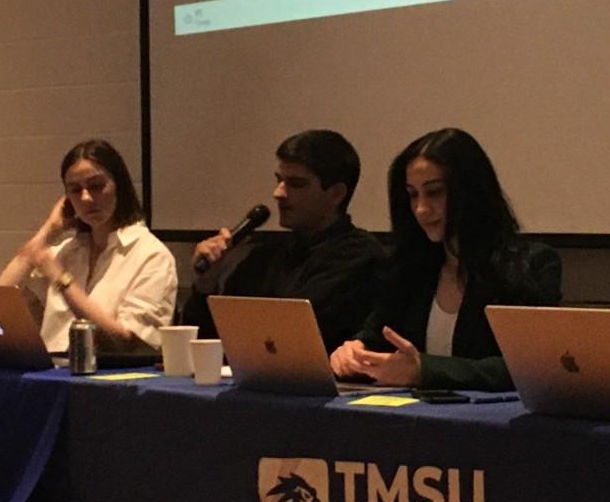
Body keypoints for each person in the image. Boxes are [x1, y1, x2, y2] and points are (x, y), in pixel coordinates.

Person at [331, 128, 560, 390]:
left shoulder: (531, 264)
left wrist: (425, 370)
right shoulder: (408, 268)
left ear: (472, 192)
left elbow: (531, 366)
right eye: (412, 194)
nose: (421, 209)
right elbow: (375, 335)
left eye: (435, 192)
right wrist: (354, 352)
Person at [183, 129, 388, 348]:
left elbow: (290, 335)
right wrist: (206, 284)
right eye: (279, 180)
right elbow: (207, 343)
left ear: (336, 193)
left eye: (296, 184)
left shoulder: (359, 256)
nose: (278, 193)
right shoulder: (264, 255)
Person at [0, 138, 176, 352]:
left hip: (109, 379)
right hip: (52, 375)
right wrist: (48, 231)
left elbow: (126, 341)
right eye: (75, 190)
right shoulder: (67, 250)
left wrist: (61, 280)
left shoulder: (151, 254)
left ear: (119, 185)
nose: (86, 198)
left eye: (96, 186)